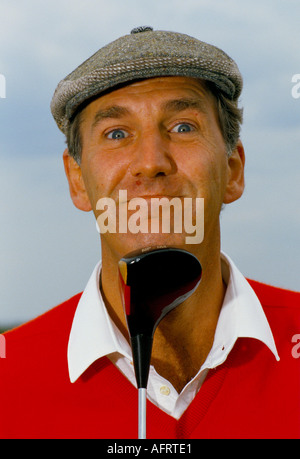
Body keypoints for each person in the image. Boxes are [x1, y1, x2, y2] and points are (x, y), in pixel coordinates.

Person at [1, 26, 299, 439]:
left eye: (182, 127)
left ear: (233, 170)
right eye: (117, 134)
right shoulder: (7, 374)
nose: (150, 162)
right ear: (76, 180)